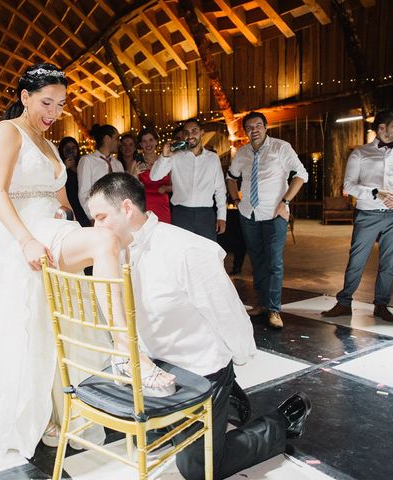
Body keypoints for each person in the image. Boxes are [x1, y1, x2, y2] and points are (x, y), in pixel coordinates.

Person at [0, 63, 175, 465]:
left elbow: (62, 201)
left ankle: (59, 411)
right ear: (24, 97)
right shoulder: (6, 132)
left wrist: (65, 217)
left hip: (52, 228)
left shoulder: (49, 143)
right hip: (20, 233)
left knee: (51, 324)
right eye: (46, 102)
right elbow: (0, 194)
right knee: (96, 251)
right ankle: (127, 355)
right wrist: (25, 240)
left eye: (60, 104)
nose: (53, 112)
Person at [88, 172, 312, 480]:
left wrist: (235, 360)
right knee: (149, 441)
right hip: (158, 367)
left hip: (201, 369)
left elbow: (228, 312)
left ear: (127, 209)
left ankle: (283, 419)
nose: (95, 228)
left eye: (100, 217)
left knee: (198, 468)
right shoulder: (113, 252)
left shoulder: (186, 250)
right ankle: (222, 406)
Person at [322, 110, 393, 322]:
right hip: (367, 214)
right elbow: (349, 185)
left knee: (390, 262)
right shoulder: (359, 153)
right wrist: (376, 193)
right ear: (381, 128)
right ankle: (344, 302)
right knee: (357, 259)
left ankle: (382, 305)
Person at [226, 112, 308, 329]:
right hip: (248, 214)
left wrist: (286, 201)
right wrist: (236, 199)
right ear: (245, 130)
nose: (254, 130)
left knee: (274, 262)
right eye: (250, 127)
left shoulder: (281, 148)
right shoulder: (242, 153)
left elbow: (301, 174)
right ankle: (262, 303)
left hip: (274, 214)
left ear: (266, 127)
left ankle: (274, 309)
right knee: (257, 261)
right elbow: (231, 177)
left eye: (258, 125)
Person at [150, 118, 227, 240]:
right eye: (186, 132)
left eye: (194, 131)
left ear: (202, 133)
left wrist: (222, 216)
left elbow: (220, 189)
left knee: (206, 254)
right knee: (182, 253)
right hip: (181, 214)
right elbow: (154, 177)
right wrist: (164, 156)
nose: (190, 135)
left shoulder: (213, 158)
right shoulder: (174, 156)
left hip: (206, 215)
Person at [77, 123, 123, 221]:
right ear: (107, 139)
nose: (119, 143)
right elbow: (84, 193)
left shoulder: (118, 164)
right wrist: (93, 217)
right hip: (99, 216)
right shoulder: (87, 161)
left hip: (118, 216)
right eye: (117, 138)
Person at [137, 127, 172, 223]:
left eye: (151, 140)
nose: (148, 144)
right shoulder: (136, 163)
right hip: (144, 207)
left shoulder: (166, 161)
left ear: (156, 141)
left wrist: (165, 188)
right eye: (144, 141)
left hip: (162, 206)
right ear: (141, 144)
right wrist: (134, 174)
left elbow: (176, 186)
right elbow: (130, 187)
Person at [58, 136, 90, 227]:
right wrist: (65, 167)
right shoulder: (59, 164)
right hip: (67, 202)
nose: (71, 151)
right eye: (67, 148)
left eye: (73, 148)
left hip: (81, 204)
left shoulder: (83, 162)